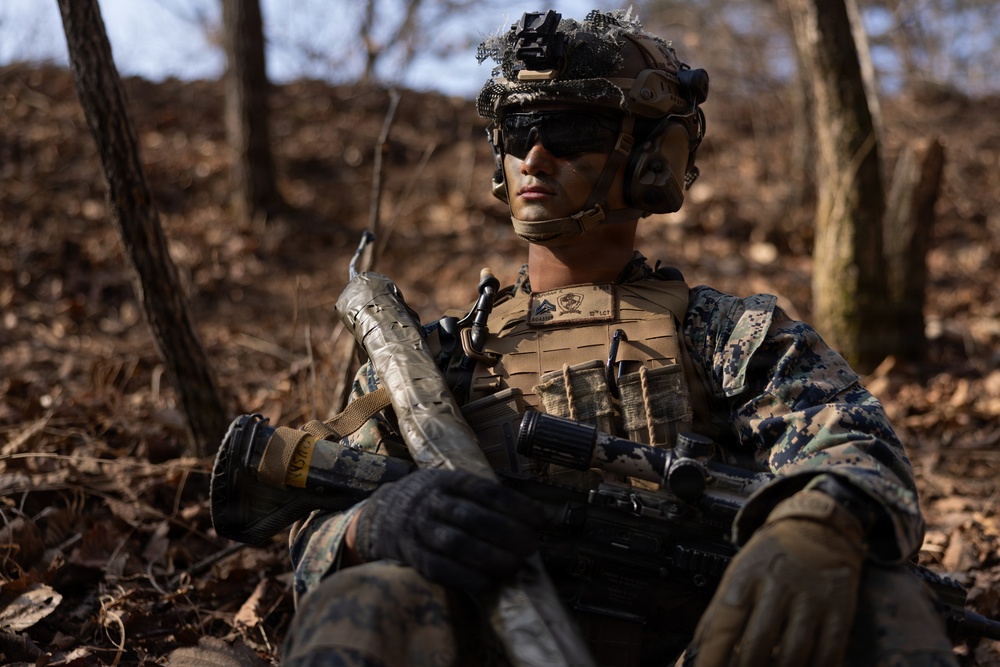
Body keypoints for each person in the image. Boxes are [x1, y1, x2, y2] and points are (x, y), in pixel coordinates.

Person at [279, 9, 957, 667]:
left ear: (653, 156)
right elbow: (309, 536)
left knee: (875, 596)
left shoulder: (731, 334)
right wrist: (378, 522)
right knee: (370, 595)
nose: (536, 156)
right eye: (519, 131)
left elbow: (857, 448)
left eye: (570, 131)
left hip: (710, 643)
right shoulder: (435, 362)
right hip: (486, 639)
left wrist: (818, 519)